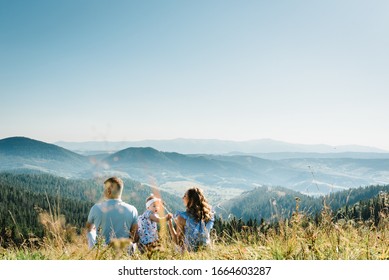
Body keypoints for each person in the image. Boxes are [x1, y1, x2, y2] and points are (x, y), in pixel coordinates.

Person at [86, 177, 138, 248]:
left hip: (102, 252)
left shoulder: (96, 208)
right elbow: (134, 237)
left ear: (109, 190)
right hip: (124, 252)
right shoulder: (132, 210)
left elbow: (88, 229)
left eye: (104, 189)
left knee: (90, 233)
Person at [168, 187, 214, 252]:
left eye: (185, 196)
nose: (182, 198)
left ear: (191, 200)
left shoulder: (181, 218)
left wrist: (170, 224)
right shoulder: (208, 215)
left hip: (189, 252)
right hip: (206, 251)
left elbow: (178, 242)